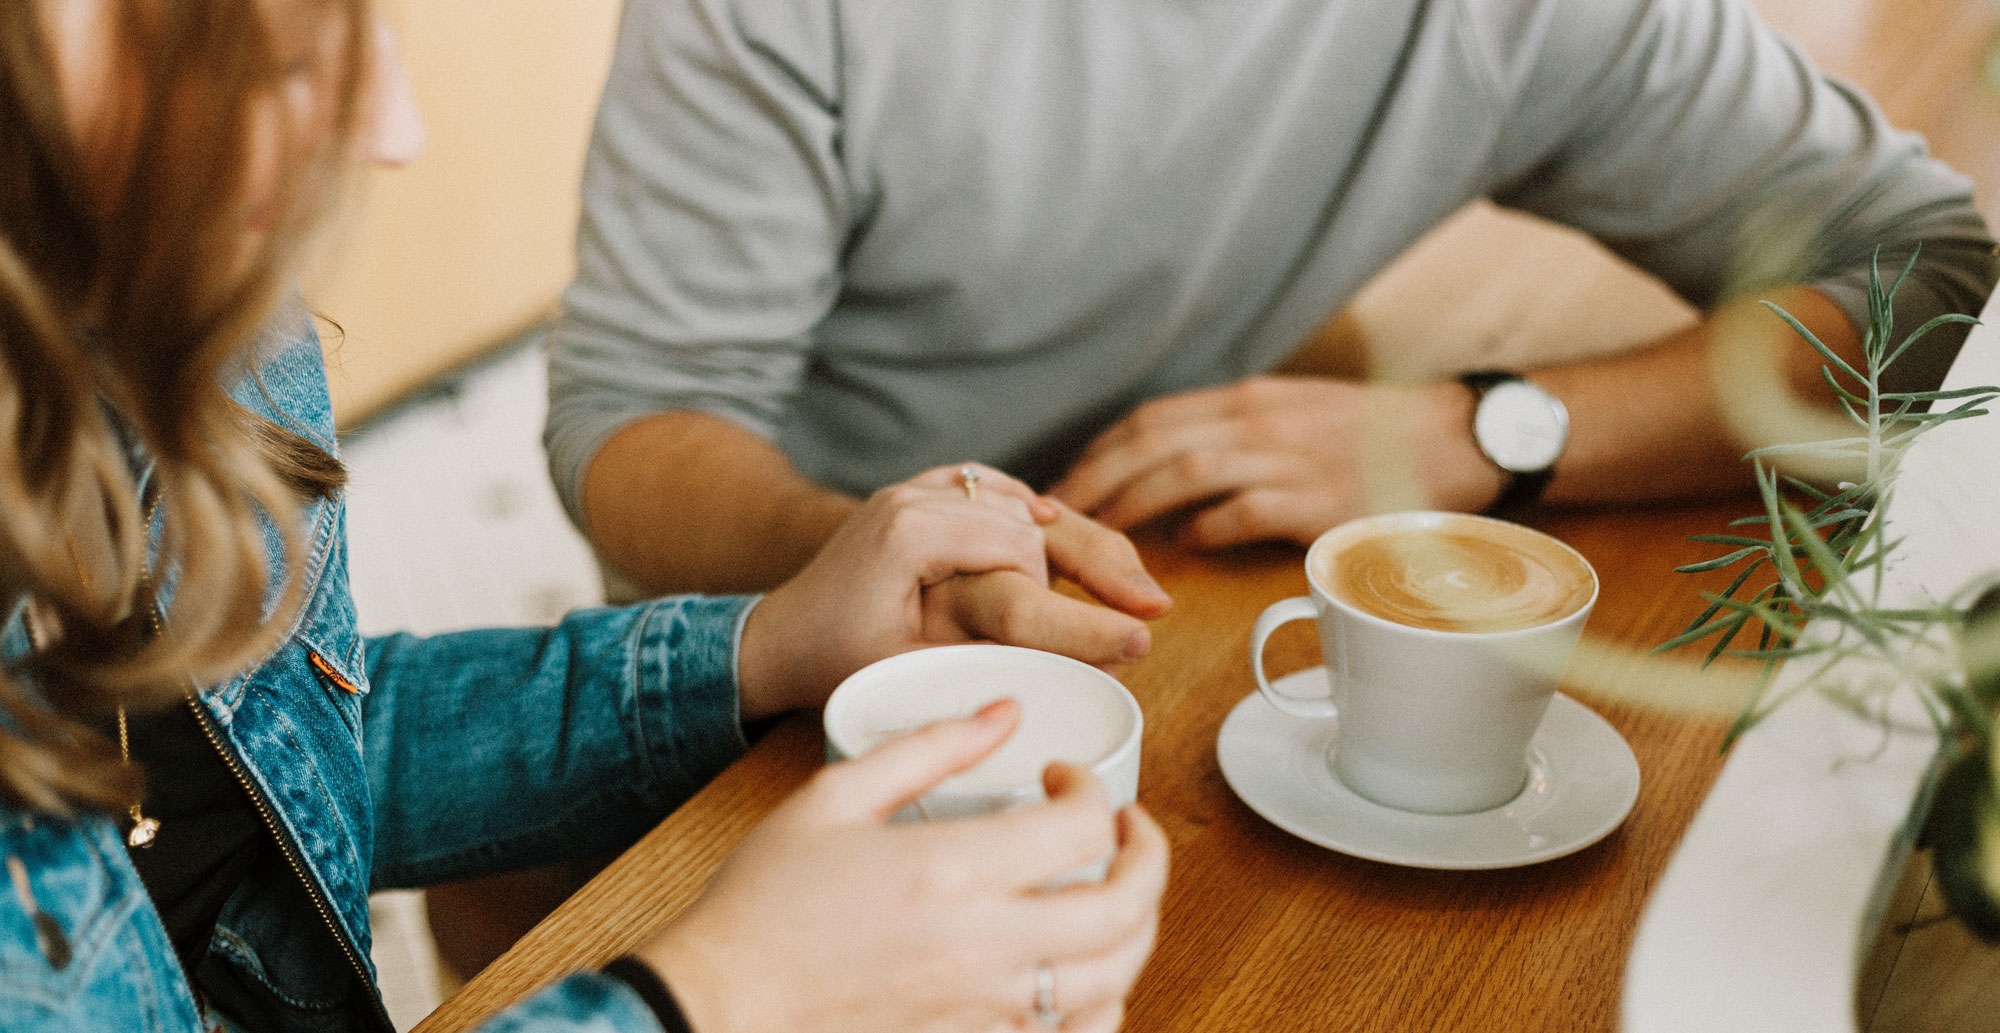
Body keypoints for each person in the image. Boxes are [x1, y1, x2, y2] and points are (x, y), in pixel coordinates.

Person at [0, 3, 1168, 1033]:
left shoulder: (164, 309)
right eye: (268, 45)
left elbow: (281, 760)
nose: (392, 130)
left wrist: (760, 644)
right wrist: (711, 1023)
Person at [546, 0, 1995, 604]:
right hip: (787, 615)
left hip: (1189, 578)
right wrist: (869, 558)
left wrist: (1493, 430)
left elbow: (1936, 281)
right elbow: (637, 422)